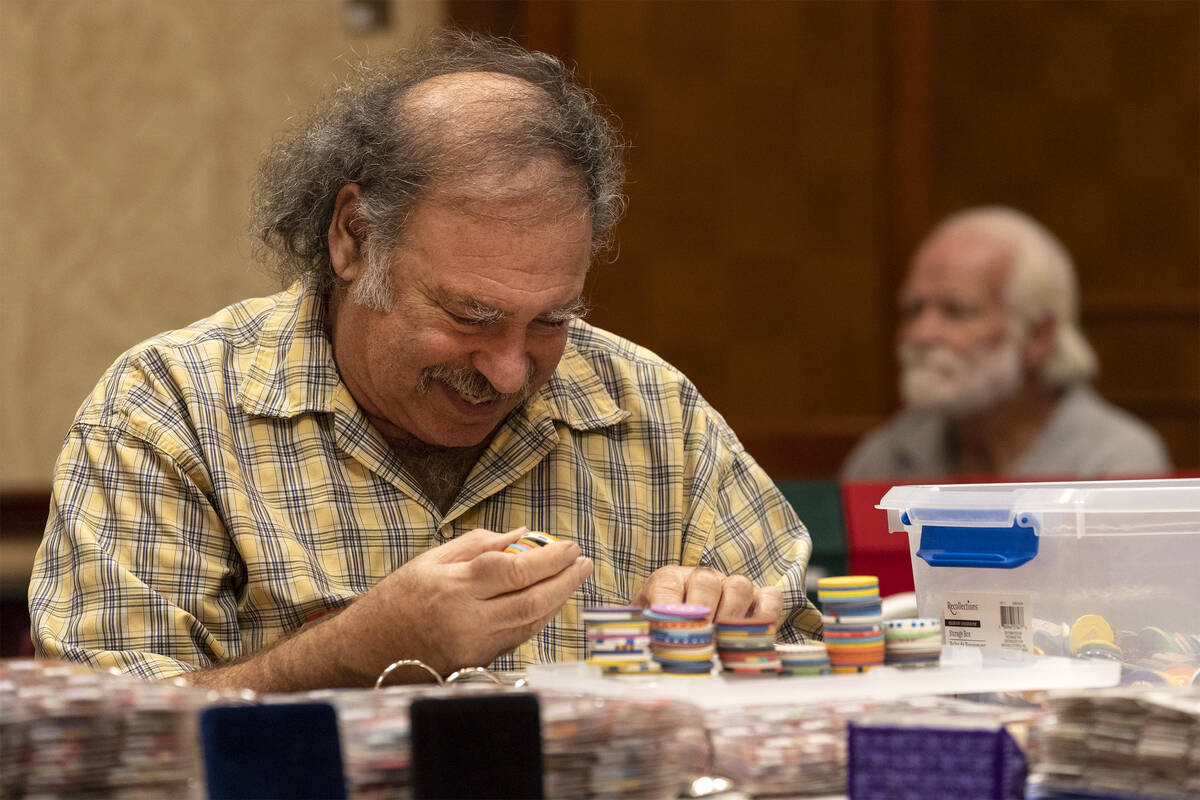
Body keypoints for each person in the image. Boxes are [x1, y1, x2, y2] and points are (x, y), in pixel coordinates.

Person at [28, 31, 821, 690]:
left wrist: (735, 635)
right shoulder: (173, 409)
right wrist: (352, 653)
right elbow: (99, 739)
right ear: (353, 238)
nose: (509, 371)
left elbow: (815, 671)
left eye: (550, 319)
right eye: (470, 315)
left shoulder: (649, 407)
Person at [842, 206, 1171, 480]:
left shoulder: (1115, 463)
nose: (921, 334)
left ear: (1038, 337)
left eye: (956, 311)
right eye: (914, 309)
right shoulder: (884, 458)